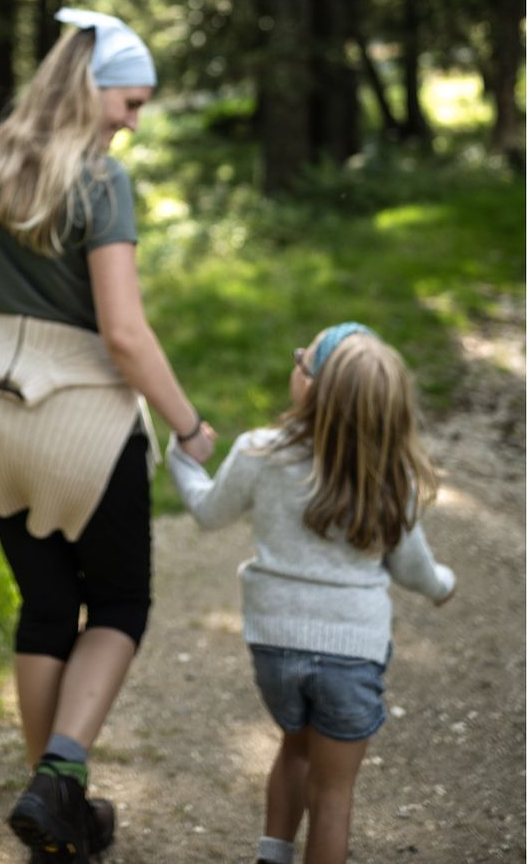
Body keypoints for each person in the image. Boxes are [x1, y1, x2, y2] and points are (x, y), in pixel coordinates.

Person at [0, 7, 215, 862]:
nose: (135, 123)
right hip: (83, 425)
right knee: (122, 603)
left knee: (46, 606)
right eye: (130, 104)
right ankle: (61, 775)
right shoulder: (101, 182)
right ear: (92, 90)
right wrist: (189, 425)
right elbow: (125, 335)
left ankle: (52, 819)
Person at [168, 323, 456, 864]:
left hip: (274, 648)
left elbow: (208, 512)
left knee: (293, 748)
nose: (296, 362)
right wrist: (444, 585)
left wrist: (183, 458)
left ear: (312, 388)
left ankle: (271, 855)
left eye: (303, 360)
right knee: (333, 795)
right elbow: (415, 569)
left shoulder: (261, 451)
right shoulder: (391, 476)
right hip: (352, 655)